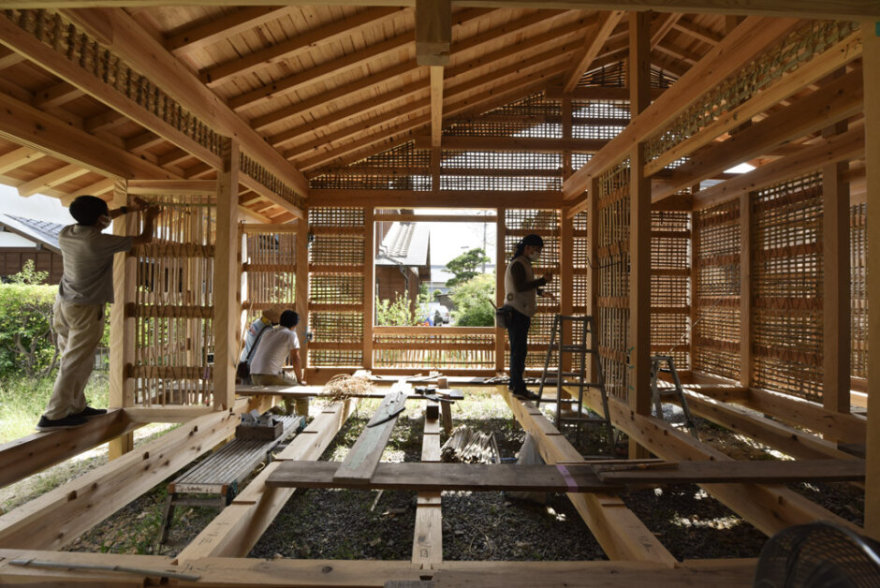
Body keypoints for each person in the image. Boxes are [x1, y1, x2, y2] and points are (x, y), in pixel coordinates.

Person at [37, 195, 159, 431]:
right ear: (100, 219)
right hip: (86, 307)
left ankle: (76, 406)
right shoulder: (98, 242)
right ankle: (53, 415)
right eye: (106, 216)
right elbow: (145, 238)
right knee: (75, 361)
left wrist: (126, 209)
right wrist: (149, 217)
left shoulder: (67, 232)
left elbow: (100, 220)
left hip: (64, 304)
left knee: (73, 357)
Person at [503, 234, 554, 401]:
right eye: (536, 249)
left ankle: (514, 383)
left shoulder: (523, 263)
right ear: (527, 248)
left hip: (519, 312)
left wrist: (540, 292)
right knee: (519, 352)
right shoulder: (518, 264)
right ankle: (519, 388)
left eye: (539, 250)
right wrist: (542, 281)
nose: (537, 253)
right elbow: (520, 286)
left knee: (518, 351)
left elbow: (525, 286)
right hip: (517, 312)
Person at [249, 310, 308, 415]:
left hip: (254, 375)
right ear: (295, 324)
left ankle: (289, 415)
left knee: (289, 385)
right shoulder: (291, 335)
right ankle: (303, 424)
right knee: (302, 395)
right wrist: (300, 380)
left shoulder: (269, 332)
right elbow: (296, 359)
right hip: (269, 375)